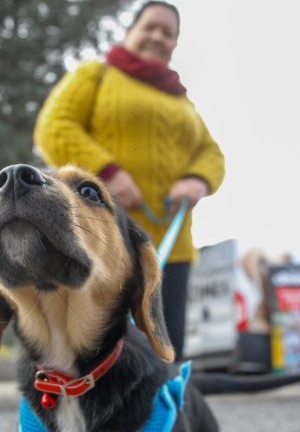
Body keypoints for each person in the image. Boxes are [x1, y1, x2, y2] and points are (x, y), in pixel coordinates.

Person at [34, 1, 225, 360]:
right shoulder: (96, 75)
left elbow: (212, 154)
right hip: (104, 239)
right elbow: (54, 126)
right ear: (130, 31)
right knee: (97, 348)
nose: (158, 37)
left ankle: (164, 417)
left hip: (171, 247)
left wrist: (197, 180)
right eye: (150, 27)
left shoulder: (184, 105)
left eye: (168, 33)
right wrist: (107, 173)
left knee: (165, 347)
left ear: (175, 45)